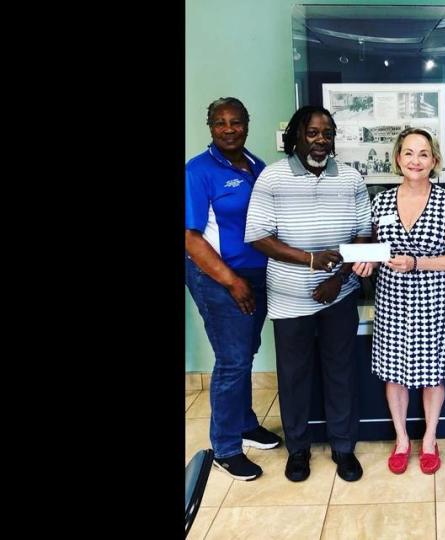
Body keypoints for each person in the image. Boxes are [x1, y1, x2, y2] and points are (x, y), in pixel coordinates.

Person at [244, 105, 371, 484]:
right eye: (312, 132)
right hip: (288, 300)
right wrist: (310, 259)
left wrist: (338, 277)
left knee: (341, 373)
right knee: (294, 377)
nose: (320, 140)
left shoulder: (350, 178)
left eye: (327, 133)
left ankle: (343, 448)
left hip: (340, 295)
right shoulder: (272, 177)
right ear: (297, 136)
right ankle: (297, 450)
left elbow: (364, 233)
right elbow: (259, 237)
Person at [185, 97, 283, 481]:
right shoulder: (198, 170)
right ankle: (225, 446)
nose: (228, 129)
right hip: (220, 279)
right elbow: (191, 238)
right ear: (210, 126)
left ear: (247, 124)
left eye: (236, 122)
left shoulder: (256, 165)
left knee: (246, 351)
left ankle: (244, 423)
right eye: (220, 122)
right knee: (232, 359)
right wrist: (231, 280)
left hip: (258, 275)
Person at [359, 127, 445, 475]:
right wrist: (368, 262)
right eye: (408, 153)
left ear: (434, 160)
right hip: (392, 301)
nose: (415, 160)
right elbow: (376, 252)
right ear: (397, 158)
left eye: (423, 154)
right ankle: (403, 439)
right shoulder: (380, 202)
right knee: (395, 375)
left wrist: (417, 263)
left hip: (433, 301)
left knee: (433, 374)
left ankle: (430, 439)